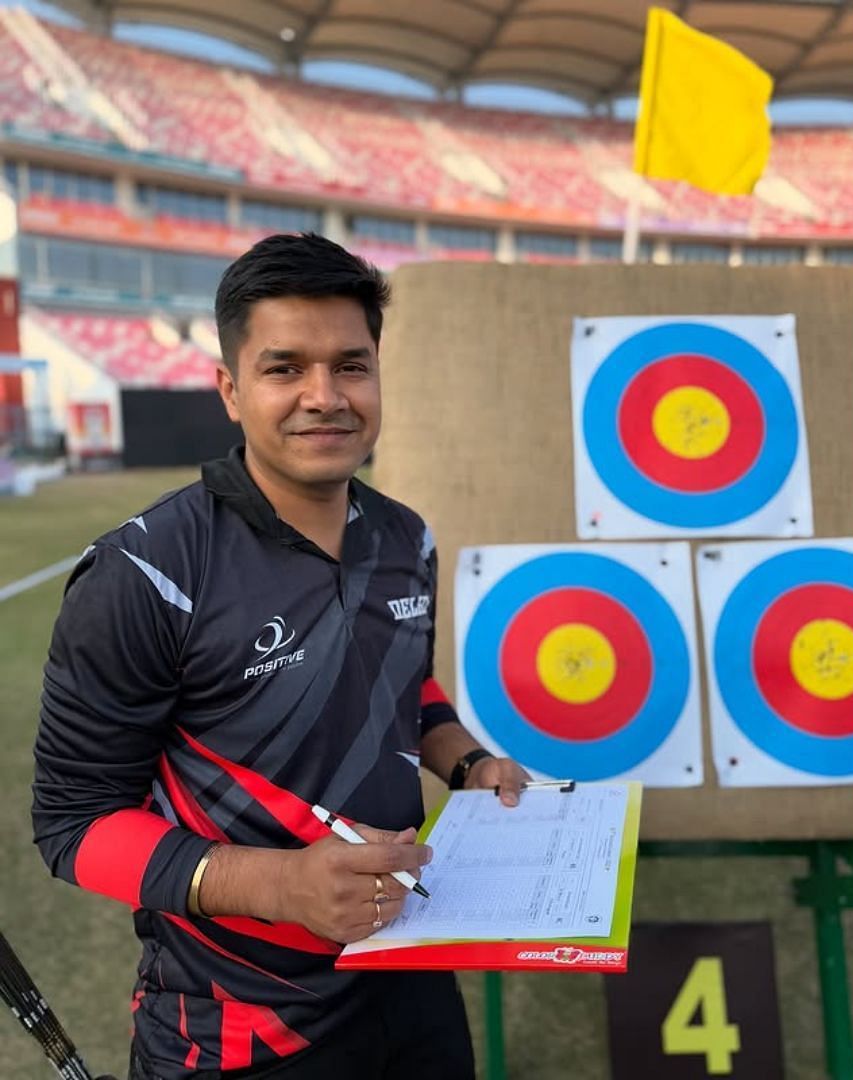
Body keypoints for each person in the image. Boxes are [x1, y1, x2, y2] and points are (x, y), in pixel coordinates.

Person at [31, 232, 531, 1079]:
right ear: (230, 388)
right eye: (284, 367)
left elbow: (405, 685)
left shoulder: (407, 537)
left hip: (409, 965)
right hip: (242, 1026)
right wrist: (282, 887)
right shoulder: (146, 572)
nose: (324, 396)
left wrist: (468, 760)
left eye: (351, 365)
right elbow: (73, 826)